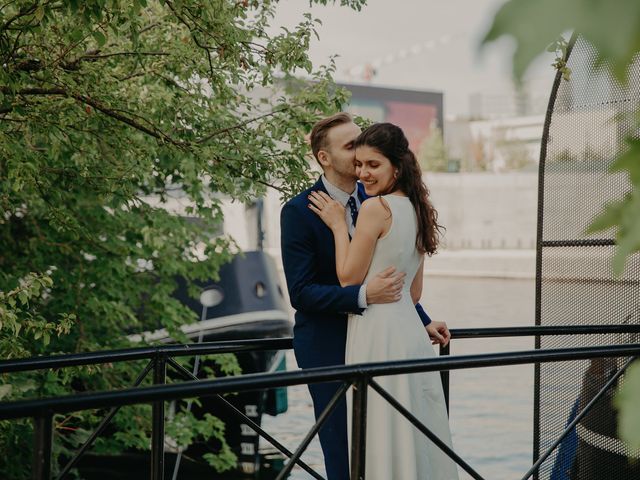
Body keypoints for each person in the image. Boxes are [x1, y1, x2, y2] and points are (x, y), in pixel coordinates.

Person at [280, 112, 451, 480]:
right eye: (350, 146)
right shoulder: (298, 211)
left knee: (391, 443)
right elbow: (302, 292)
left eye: (363, 145)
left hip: (382, 342)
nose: (361, 153)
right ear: (324, 158)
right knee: (346, 457)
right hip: (328, 349)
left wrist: (420, 319)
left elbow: (392, 272)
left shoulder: (379, 198)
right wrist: (361, 296)